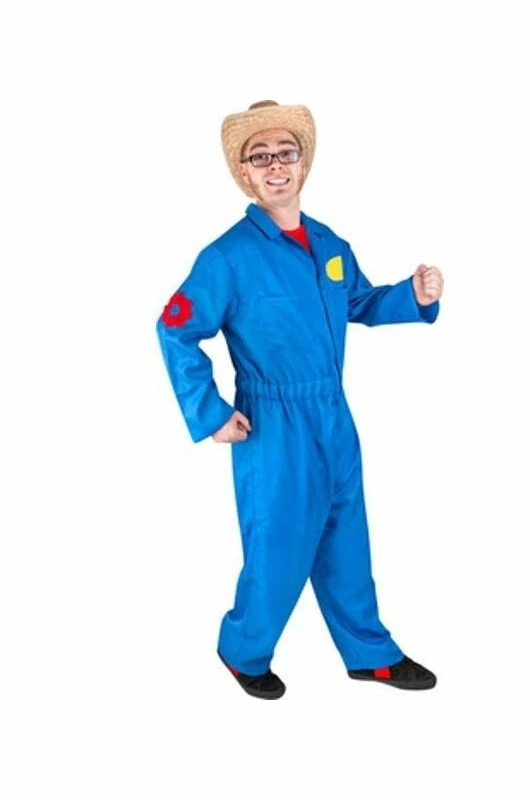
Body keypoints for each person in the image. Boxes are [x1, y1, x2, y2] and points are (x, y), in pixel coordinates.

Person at [156, 100, 444, 700]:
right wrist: (210, 413)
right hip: (272, 423)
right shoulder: (228, 257)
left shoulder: (330, 244)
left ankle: (369, 654)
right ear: (244, 173)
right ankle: (242, 650)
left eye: (285, 153)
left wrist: (413, 296)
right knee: (279, 543)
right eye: (260, 157)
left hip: (332, 414)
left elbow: (359, 302)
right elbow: (175, 327)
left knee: (345, 537)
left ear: (303, 162)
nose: (275, 165)